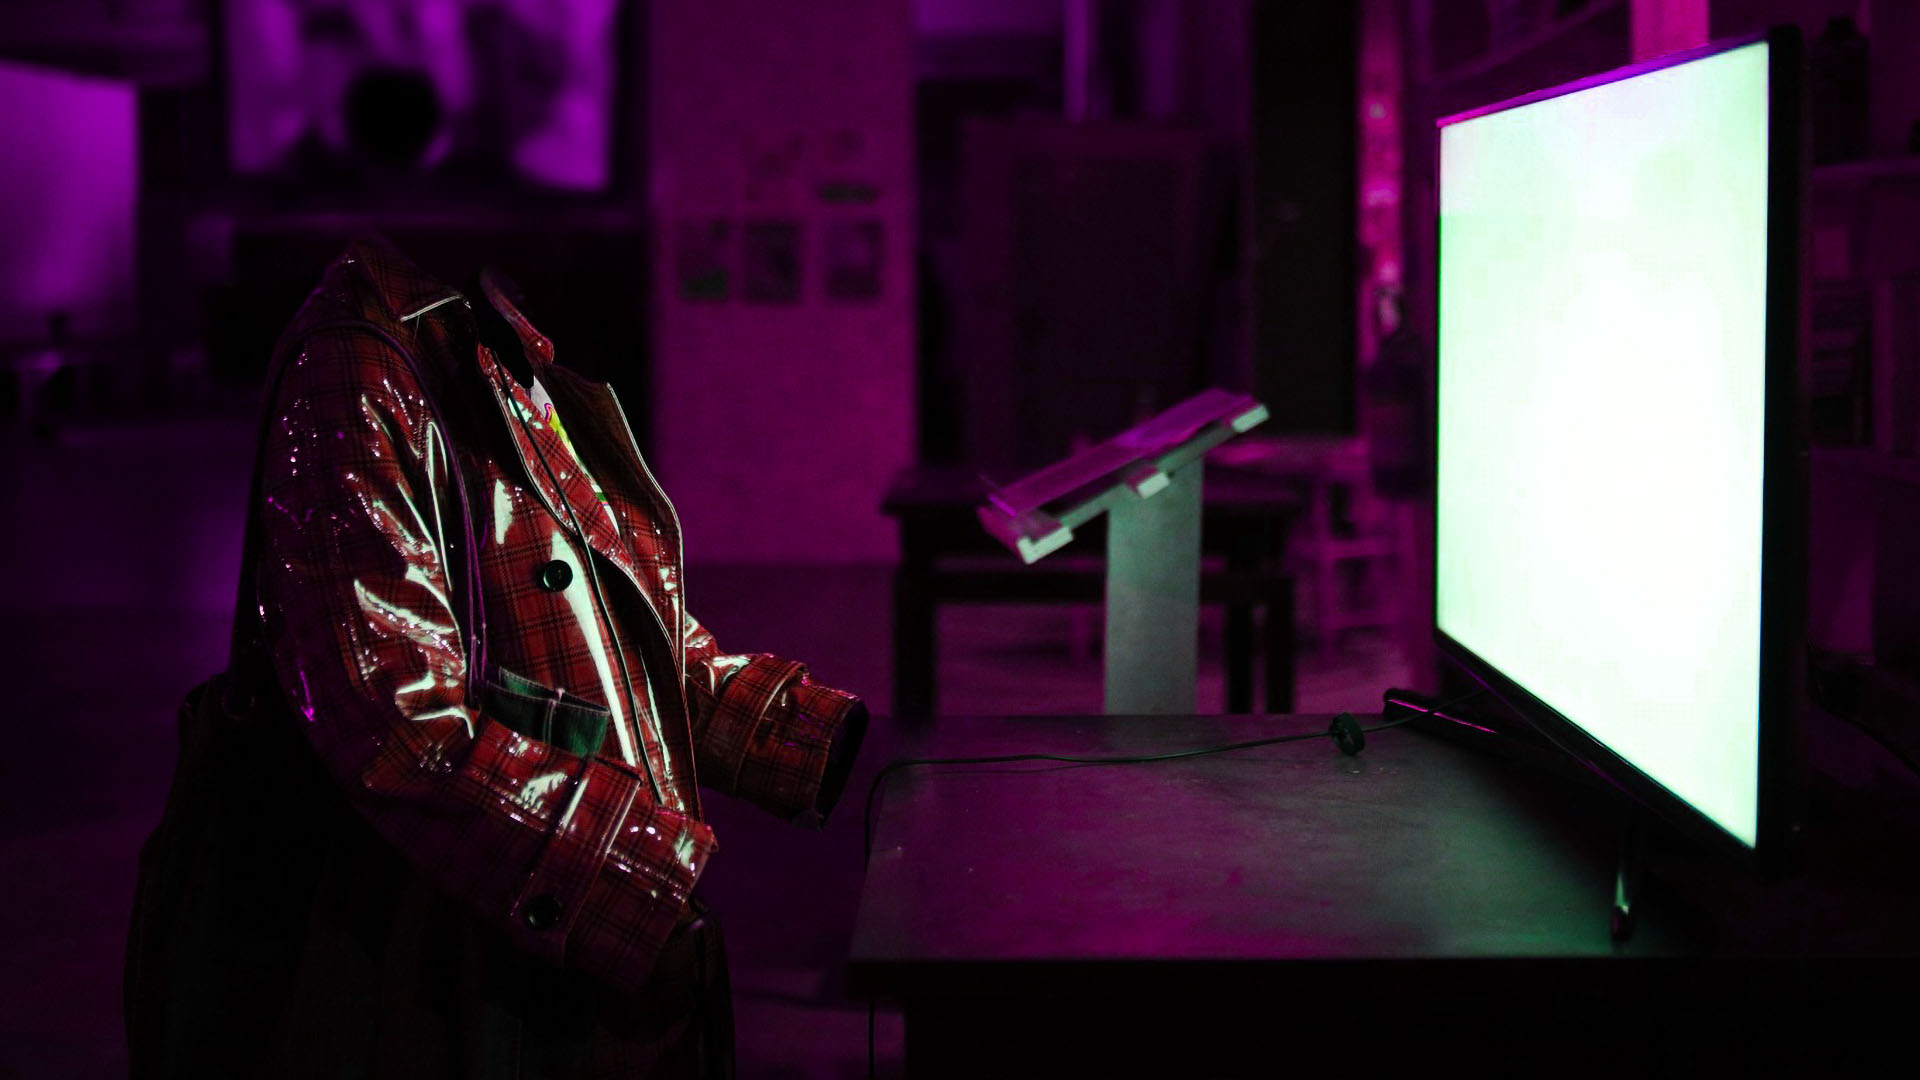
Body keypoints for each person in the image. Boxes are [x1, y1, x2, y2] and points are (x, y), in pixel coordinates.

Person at [132, 235, 868, 1078]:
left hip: (556, 962)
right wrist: (632, 888)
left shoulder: (473, 334)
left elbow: (626, 636)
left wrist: (829, 745)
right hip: (473, 983)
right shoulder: (363, 362)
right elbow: (394, 726)